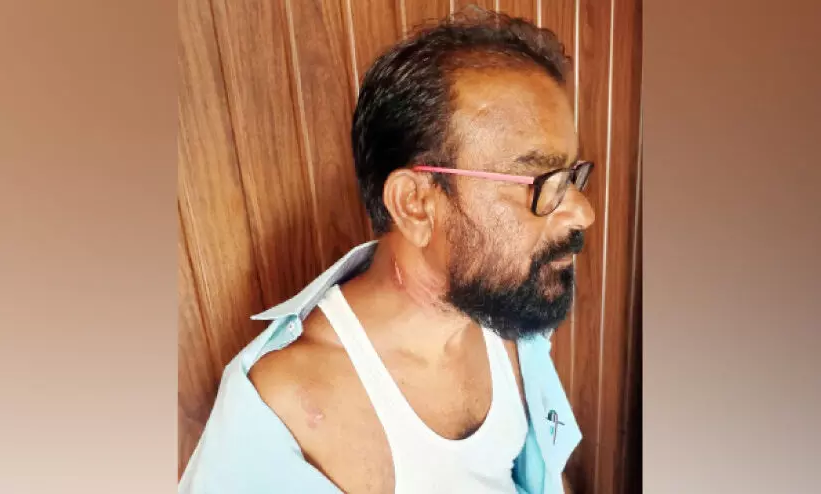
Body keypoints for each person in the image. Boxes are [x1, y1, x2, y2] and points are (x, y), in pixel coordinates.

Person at [180, 9, 595, 494]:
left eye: (572, 176)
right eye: (542, 182)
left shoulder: (506, 316)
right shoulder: (289, 409)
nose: (583, 213)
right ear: (415, 204)